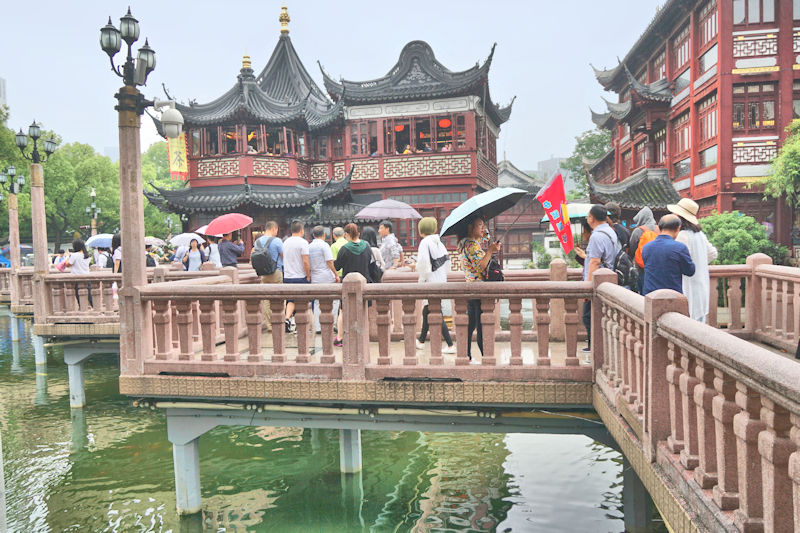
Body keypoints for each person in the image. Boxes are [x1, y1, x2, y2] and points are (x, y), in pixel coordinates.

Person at [458, 217, 501, 363]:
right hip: (479, 289)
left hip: (471, 288)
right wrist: (490, 251)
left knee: (470, 325)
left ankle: (467, 356)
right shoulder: (472, 245)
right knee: (483, 326)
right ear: (470, 227)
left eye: (484, 226)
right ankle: (487, 357)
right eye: (480, 226)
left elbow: (485, 236)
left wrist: (482, 224)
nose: (483, 229)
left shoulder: (464, 243)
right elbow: (481, 266)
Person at [669, 198, 718, 322]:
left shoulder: (682, 235)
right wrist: (699, 262)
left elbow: (679, 259)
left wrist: (691, 264)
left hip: (687, 285)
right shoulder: (700, 234)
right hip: (701, 284)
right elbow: (713, 253)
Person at [582, 205, 620, 353]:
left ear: (592, 218)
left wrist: (587, 286)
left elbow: (595, 261)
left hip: (598, 281)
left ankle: (596, 348)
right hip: (608, 278)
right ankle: (599, 346)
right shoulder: (610, 231)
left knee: (589, 316)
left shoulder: (597, 235)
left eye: (588, 216)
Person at [415, 217, 456, 354]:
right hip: (441, 279)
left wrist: (422, 280)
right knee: (428, 310)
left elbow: (423, 264)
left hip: (430, 281)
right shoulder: (440, 243)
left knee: (435, 312)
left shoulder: (424, 243)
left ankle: (450, 345)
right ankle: (421, 341)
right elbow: (447, 263)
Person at [332, 223, 375, 346]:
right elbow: (371, 265)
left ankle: (340, 337)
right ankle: (362, 336)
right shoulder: (366, 246)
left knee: (343, 311)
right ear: (358, 233)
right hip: (365, 283)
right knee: (363, 311)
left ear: (346, 234)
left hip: (348, 284)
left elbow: (337, 266)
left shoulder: (345, 249)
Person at [641, 214, 696, 295]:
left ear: (659, 228)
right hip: (672, 296)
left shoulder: (646, 247)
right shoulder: (680, 248)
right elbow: (690, 271)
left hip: (650, 295)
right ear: (678, 228)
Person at [309, 225, 340, 333]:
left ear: (313, 235)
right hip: (327, 277)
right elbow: (329, 261)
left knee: (317, 302)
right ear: (324, 235)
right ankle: (333, 323)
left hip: (315, 278)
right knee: (334, 300)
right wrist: (336, 274)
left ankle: (318, 327)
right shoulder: (325, 245)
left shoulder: (309, 246)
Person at [254, 221, 284, 330]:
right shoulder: (277, 241)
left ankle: (269, 324)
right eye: (276, 230)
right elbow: (283, 255)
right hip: (276, 271)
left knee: (266, 300)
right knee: (279, 297)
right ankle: (279, 322)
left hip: (263, 274)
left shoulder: (257, 242)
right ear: (273, 229)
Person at [282, 221, 310, 333]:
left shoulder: (285, 242)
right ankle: (300, 324)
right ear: (302, 230)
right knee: (301, 300)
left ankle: (287, 318)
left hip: (288, 275)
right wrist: (308, 275)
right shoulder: (303, 243)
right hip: (300, 275)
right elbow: (305, 261)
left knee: (290, 299)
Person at [628, 207, 657, 293]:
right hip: (657, 267)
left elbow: (631, 249)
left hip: (642, 267)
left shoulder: (638, 231)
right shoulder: (659, 229)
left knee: (643, 291)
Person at [66, 239, 93, 307]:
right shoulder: (88, 255)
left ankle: (82, 307)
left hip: (77, 277)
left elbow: (68, 264)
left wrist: (67, 256)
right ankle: (94, 307)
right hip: (86, 276)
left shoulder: (74, 255)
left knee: (78, 294)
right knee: (89, 294)